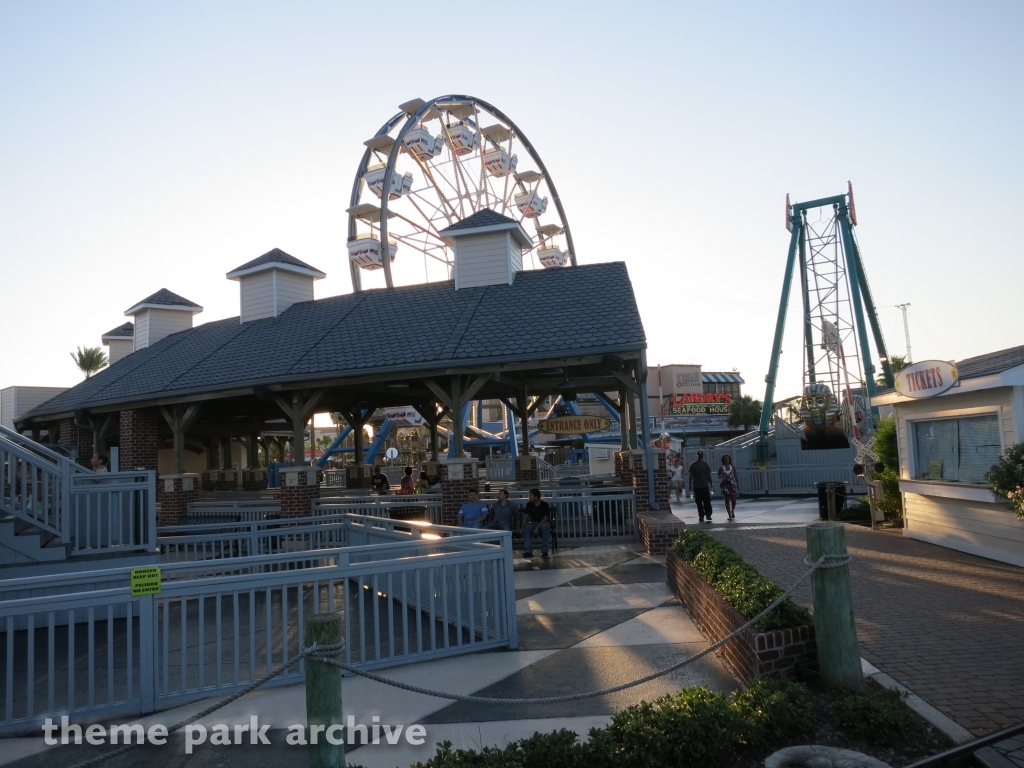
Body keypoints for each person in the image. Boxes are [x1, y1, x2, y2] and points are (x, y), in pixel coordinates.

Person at [521, 488, 551, 558]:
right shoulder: (529, 504)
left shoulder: (544, 505)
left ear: (536, 497)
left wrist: (537, 528)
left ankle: (545, 550)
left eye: (531, 495)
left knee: (545, 527)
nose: (529, 497)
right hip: (533, 522)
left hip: (543, 522)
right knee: (527, 528)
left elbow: (545, 518)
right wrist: (522, 527)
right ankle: (528, 551)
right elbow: (526, 516)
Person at [688, 451, 714, 523]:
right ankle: (701, 515)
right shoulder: (693, 465)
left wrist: (711, 484)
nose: (700, 458)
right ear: (696, 456)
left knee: (707, 501)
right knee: (699, 502)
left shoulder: (705, 465)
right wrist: (690, 484)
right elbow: (690, 475)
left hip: (705, 485)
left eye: (701, 456)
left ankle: (708, 514)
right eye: (698, 456)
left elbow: (708, 475)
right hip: (696, 486)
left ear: (702, 457)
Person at [718, 454, 739, 521]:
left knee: (733, 500)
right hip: (725, 485)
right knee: (727, 500)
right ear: (723, 460)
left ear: (729, 460)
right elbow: (718, 476)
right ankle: (729, 515)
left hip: (732, 484)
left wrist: (737, 484)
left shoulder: (732, 467)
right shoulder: (721, 468)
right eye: (725, 459)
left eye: (728, 459)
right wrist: (722, 476)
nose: (727, 460)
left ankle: (732, 510)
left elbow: (735, 476)